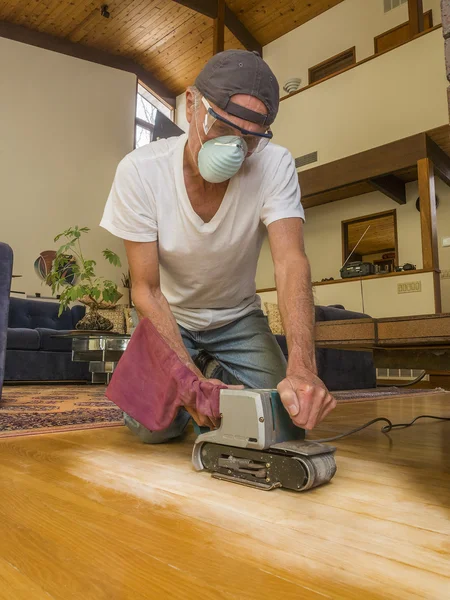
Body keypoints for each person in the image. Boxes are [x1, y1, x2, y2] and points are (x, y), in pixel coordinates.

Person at [100, 50, 336, 443]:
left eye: (250, 138)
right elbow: (146, 289)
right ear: (191, 104)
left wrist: (302, 367)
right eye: (222, 127)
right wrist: (188, 381)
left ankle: (219, 374)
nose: (234, 148)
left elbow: (290, 261)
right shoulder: (140, 172)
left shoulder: (275, 165)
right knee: (152, 429)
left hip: (238, 320)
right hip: (171, 319)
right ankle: (203, 372)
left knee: (287, 420)